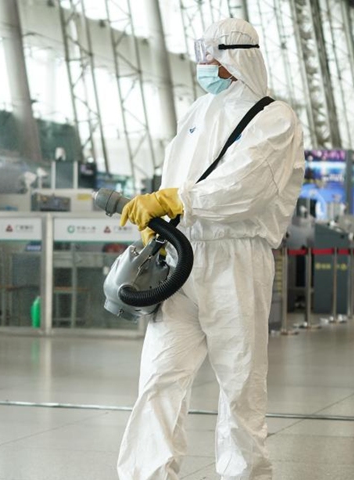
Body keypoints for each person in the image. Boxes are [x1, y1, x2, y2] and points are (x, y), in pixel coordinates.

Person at [115, 18, 304, 480]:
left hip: (236, 261)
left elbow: (248, 187)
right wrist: (159, 224)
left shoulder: (274, 118)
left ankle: (244, 474)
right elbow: (175, 174)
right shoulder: (197, 112)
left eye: (211, 53)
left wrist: (179, 201)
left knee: (240, 385)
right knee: (159, 378)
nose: (203, 62)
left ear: (236, 58)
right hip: (181, 258)